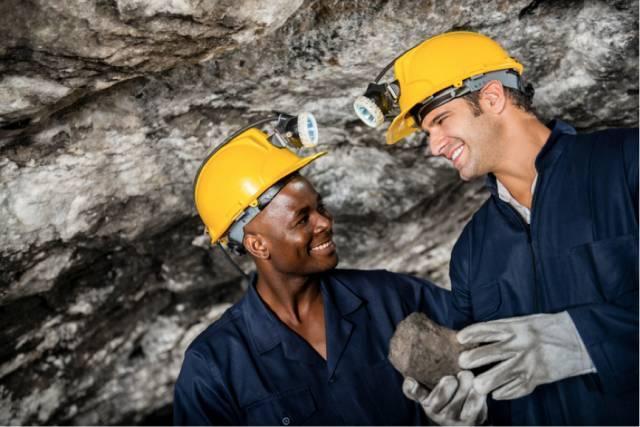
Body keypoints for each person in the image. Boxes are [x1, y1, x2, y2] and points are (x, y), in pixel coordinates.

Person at [354, 31, 638, 425]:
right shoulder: (472, 251)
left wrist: (581, 340)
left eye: (440, 120)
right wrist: (467, 411)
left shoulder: (627, 163)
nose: (434, 146)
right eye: (427, 132)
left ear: (491, 97)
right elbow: (489, 384)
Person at [173, 116, 487, 425]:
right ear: (257, 245)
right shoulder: (214, 365)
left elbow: (487, 349)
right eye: (302, 219)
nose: (324, 222)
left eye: (320, 207)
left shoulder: (391, 297)